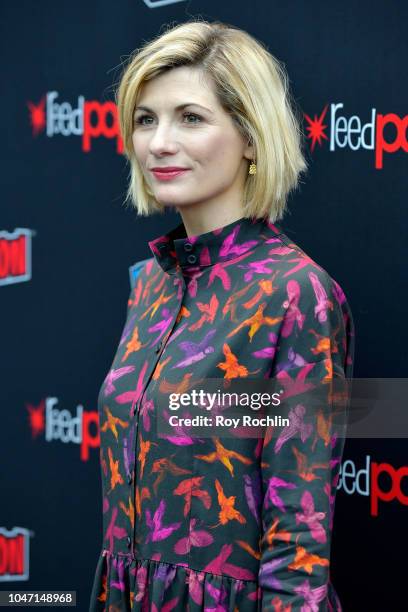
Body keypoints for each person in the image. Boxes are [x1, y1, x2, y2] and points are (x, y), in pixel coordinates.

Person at [89, 19, 355, 612]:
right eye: (145, 118)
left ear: (252, 137)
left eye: (191, 117)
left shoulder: (296, 295)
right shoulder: (149, 284)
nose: (159, 142)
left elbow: (299, 533)